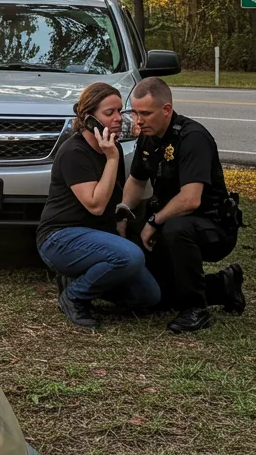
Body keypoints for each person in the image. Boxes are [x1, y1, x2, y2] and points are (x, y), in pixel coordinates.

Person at [122, 77, 245, 333]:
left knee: (176, 229)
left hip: (212, 226)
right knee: (158, 297)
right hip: (170, 221)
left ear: (166, 109)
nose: (138, 121)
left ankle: (195, 309)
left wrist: (153, 222)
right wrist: (122, 215)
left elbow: (190, 199)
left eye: (146, 113)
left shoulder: (192, 138)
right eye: (135, 112)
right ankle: (223, 286)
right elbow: (136, 181)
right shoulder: (148, 137)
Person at [37, 82, 161, 329]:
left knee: (149, 296)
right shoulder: (74, 152)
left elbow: (115, 197)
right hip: (60, 238)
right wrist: (112, 158)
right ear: (89, 119)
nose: (118, 118)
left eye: (120, 111)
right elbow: (95, 205)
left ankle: (78, 279)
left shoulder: (111, 148)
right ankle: (74, 297)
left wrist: (121, 220)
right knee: (130, 256)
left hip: (97, 236)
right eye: (109, 113)